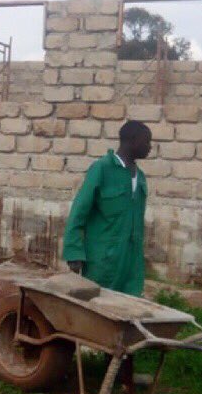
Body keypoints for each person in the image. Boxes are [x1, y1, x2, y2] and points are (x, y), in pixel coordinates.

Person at [61, 119, 152, 297]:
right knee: (97, 308)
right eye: (147, 141)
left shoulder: (140, 176)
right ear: (133, 140)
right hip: (103, 262)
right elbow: (78, 213)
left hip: (131, 264)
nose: (149, 147)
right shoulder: (102, 169)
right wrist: (74, 253)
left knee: (128, 308)